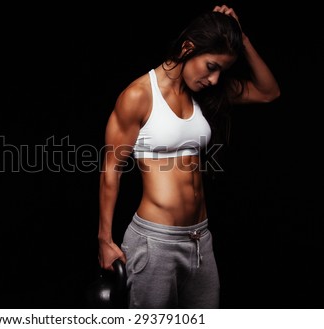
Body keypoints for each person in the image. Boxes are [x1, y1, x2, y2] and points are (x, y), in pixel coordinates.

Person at [97, 4, 280, 309]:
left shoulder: (205, 94)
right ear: (188, 48)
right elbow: (111, 169)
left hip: (200, 241)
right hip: (154, 243)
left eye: (222, 70)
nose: (215, 79)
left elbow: (268, 92)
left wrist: (242, 38)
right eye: (211, 66)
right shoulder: (139, 95)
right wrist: (104, 239)